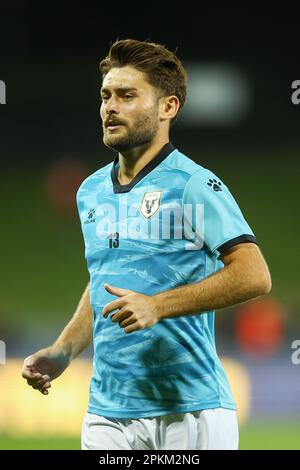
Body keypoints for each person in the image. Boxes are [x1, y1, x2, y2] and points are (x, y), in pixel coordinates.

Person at [22, 39, 272, 450]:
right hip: (107, 414)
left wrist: (157, 305)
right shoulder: (89, 192)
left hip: (189, 410)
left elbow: (254, 275)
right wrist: (63, 350)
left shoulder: (193, 184)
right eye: (105, 96)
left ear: (167, 107)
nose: (110, 107)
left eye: (126, 95)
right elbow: (104, 278)